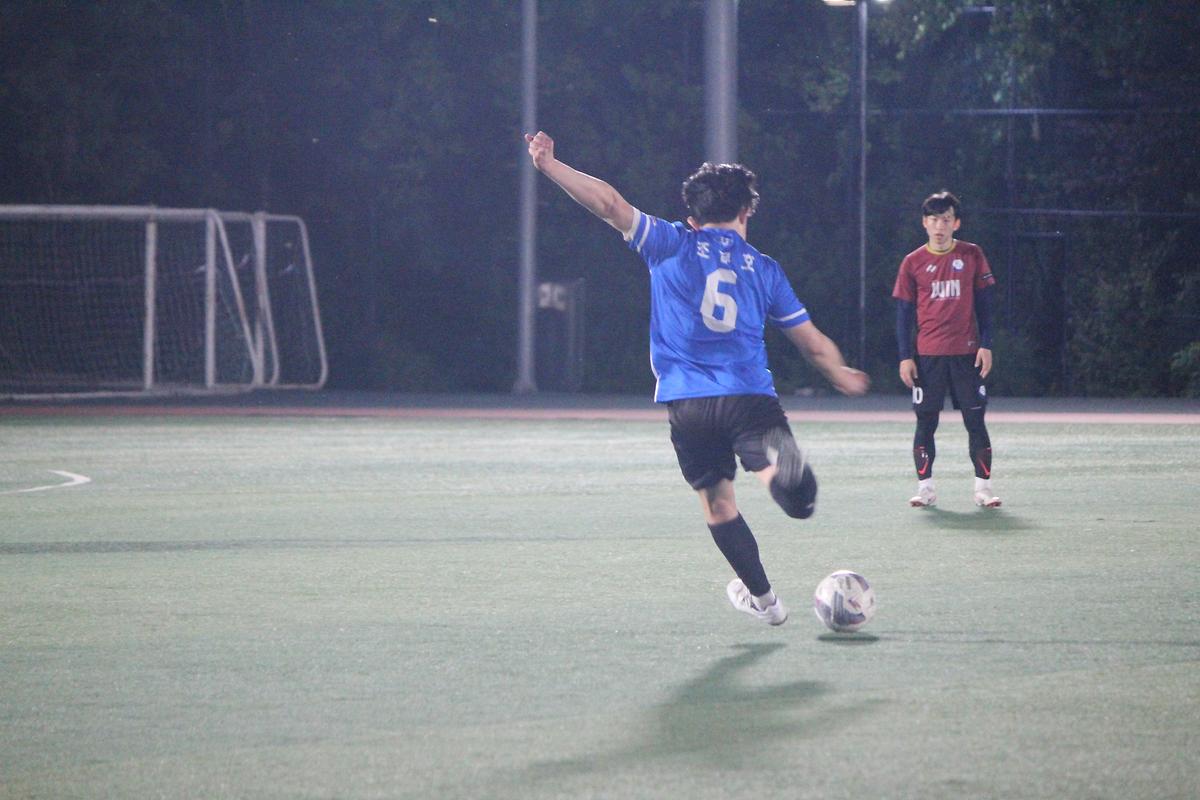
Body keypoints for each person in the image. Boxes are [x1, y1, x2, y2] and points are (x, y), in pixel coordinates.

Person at [525, 130, 869, 627]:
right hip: (749, 398)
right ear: (746, 212)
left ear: (693, 217)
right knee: (798, 499)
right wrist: (839, 372)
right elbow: (811, 342)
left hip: (688, 405)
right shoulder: (764, 269)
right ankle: (783, 478)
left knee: (718, 503)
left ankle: (766, 602)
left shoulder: (669, 242)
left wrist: (551, 166)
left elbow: (610, 204)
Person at [892, 190, 1001, 509]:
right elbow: (903, 315)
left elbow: (986, 306)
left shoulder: (972, 255)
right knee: (926, 423)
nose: (940, 226)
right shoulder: (912, 262)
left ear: (956, 223)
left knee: (975, 421)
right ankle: (925, 488)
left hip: (967, 355)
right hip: (928, 358)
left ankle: (983, 489)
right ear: (924, 223)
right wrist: (905, 356)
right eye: (934, 219)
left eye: (946, 219)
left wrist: (986, 344)